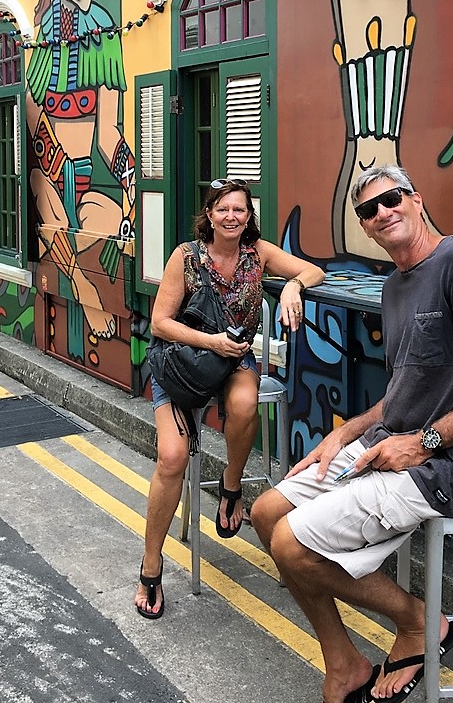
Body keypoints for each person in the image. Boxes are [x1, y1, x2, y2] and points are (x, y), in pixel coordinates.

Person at [250, 164, 453, 703]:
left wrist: (423, 443)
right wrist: (343, 434)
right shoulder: (395, 286)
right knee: (266, 513)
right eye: (368, 209)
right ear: (365, 225)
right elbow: (399, 397)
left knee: (291, 544)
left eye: (392, 198)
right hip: (386, 445)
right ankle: (344, 663)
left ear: (416, 199)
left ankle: (420, 622)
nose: (382, 212)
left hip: (444, 467)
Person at [135, 178, 324, 619]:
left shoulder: (259, 254)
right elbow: (160, 323)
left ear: (248, 215)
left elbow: (313, 271)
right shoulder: (186, 256)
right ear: (210, 214)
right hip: (181, 363)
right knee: (172, 458)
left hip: (234, 361)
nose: (232, 217)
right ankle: (151, 564)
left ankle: (231, 487)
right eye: (223, 209)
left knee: (244, 404)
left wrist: (293, 286)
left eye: (239, 209)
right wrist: (211, 342)